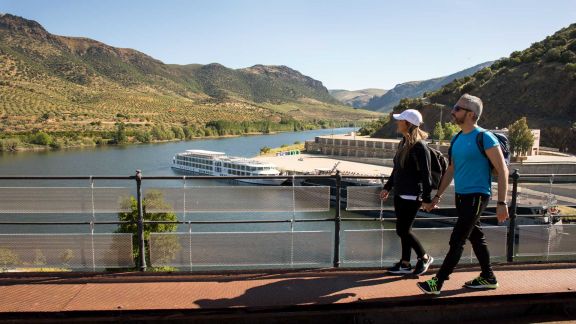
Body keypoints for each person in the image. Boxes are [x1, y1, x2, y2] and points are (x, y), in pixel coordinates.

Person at [418, 94, 509, 295]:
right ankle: (488, 277)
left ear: (471, 114)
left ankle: (438, 282)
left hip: (478, 196)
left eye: (458, 109)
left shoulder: (485, 137)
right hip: (461, 196)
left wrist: (502, 202)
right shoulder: (457, 138)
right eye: (454, 107)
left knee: (457, 239)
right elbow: (450, 169)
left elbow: (502, 170)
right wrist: (437, 197)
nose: (453, 111)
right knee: (476, 237)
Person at [380, 109, 434, 276]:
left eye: (400, 120)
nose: (397, 122)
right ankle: (405, 263)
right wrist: (388, 187)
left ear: (408, 124)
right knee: (404, 230)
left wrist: (426, 198)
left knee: (402, 230)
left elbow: (427, 175)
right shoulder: (403, 143)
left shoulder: (420, 146)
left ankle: (424, 257)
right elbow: (397, 169)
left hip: (412, 195)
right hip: (400, 193)